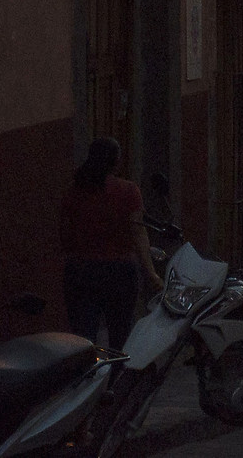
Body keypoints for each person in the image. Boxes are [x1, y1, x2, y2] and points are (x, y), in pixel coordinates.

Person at [60, 137, 158, 349]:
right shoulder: (128, 191)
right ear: (116, 162)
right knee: (120, 336)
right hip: (120, 271)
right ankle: (116, 379)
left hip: (80, 271)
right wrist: (151, 273)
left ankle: (87, 379)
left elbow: (65, 235)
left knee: (83, 339)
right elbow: (138, 233)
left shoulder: (73, 191)